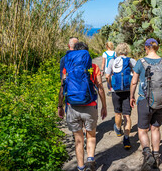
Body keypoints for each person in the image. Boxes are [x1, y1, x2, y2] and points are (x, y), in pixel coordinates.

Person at [58, 42, 107, 171]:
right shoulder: (94, 67)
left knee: (78, 140)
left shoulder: (67, 68)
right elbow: (100, 88)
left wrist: (60, 106)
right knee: (91, 135)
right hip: (90, 106)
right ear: (86, 53)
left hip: (72, 106)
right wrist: (104, 106)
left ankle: (80, 167)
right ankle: (90, 160)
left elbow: (63, 88)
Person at [130, 38, 162, 171]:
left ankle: (147, 153)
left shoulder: (141, 62)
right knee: (155, 128)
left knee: (142, 130)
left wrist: (131, 96)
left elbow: (134, 82)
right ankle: (156, 157)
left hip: (144, 100)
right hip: (161, 101)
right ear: (157, 47)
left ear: (146, 47)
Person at [105, 43, 136, 149]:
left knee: (118, 113)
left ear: (117, 51)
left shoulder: (112, 61)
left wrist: (110, 86)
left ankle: (118, 129)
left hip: (116, 91)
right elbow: (137, 73)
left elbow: (107, 75)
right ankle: (126, 139)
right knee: (127, 115)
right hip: (127, 91)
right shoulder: (131, 60)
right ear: (127, 50)